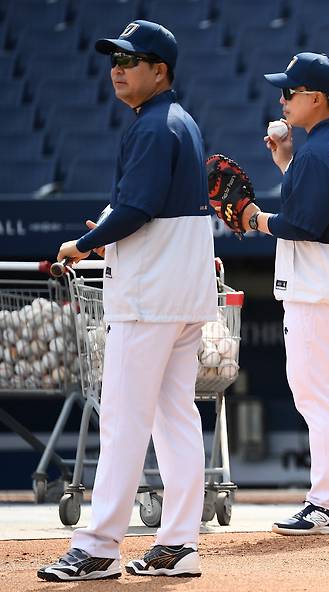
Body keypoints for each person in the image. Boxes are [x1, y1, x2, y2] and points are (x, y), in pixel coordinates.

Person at [38, 20, 217, 580]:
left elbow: (136, 209)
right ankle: (180, 544)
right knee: (176, 419)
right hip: (181, 293)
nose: (117, 68)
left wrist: (85, 242)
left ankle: (97, 545)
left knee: (122, 419)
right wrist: (113, 229)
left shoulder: (151, 127)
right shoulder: (179, 123)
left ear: (159, 70)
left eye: (130, 60)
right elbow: (147, 210)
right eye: (114, 58)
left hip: (148, 298)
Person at [239, 52, 329, 535]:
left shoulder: (320, 152)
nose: (282, 99)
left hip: (321, 290)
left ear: (315, 98)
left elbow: (303, 222)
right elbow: (320, 199)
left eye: (290, 92)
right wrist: (286, 163)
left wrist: (253, 219)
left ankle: (323, 503)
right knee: (326, 394)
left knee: (313, 395)